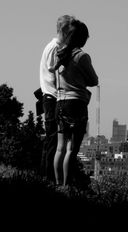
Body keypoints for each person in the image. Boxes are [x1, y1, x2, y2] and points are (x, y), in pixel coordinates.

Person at [53, 20, 98, 188]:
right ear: (81, 38)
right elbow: (94, 80)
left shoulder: (59, 54)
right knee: (71, 149)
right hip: (77, 104)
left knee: (60, 148)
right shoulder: (81, 56)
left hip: (60, 103)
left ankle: (57, 185)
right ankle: (66, 186)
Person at [39, 15, 75, 182]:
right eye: (71, 30)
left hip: (50, 96)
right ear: (64, 31)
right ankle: (48, 178)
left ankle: (47, 178)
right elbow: (55, 72)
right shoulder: (55, 48)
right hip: (53, 97)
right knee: (53, 140)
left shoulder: (53, 46)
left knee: (53, 140)